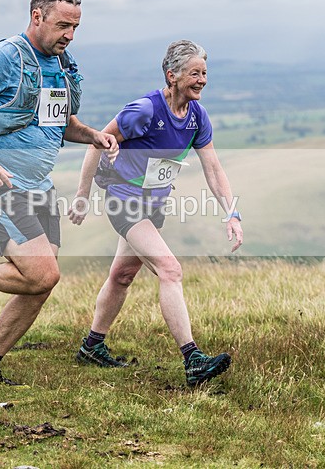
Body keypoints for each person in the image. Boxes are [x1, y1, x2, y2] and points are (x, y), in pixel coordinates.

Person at [0, 0, 119, 385]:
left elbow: (60, 123)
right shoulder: (5, 58)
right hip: (1, 181)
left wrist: (92, 135)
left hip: (39, 184)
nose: (69, 35)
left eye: (75, 27)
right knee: (42, 274)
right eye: (62, 25)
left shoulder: (62, 63)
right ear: (37, 17)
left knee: (39, 283)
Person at [69, 39, 243, 386]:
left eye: (205, 73)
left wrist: (232, 213)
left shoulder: (197, 117)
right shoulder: (145, 111)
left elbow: (213, 169)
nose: (202, 80)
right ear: (172, 76)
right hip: (124, 201)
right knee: (170, 269)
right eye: (194, 73)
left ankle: (92, 345)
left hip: (153, 207)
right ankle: (193, 359)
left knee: (121, 276)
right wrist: (82, 196)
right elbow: (97, 141)